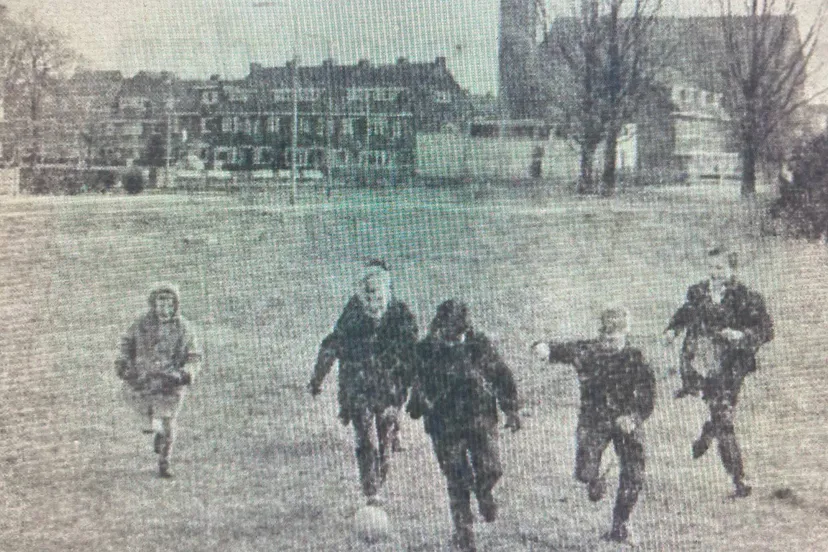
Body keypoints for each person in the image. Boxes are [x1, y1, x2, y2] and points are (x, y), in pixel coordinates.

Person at [531, 308, 655, 543]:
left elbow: (648, 397)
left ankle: (621, 524)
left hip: (625, 420)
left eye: (615, 337)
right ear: (600, 334)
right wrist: (542, 348)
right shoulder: (587, 350)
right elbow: (556, 350)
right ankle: (594, 476)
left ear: (626, 333)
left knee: (634, 472)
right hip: (594, 418)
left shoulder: (637, 357)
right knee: (585, 472)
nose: (609, 342)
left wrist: (633, 418)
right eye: (605, 337)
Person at [408, 300, 520, 552]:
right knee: (457, 478)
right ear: (438, 326)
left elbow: (501, 375)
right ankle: (463, 533)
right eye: (447, 330)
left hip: (479, 419)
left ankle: (484, 492)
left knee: (492, 468)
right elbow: (416, 381)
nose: (453, 336)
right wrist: (417, 404)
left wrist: (511, 409)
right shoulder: (425, 350)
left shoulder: (478, 346)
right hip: (443, 425)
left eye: (458, 332)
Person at [665, 246, 773, 498]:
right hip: (700, 362)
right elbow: (686, 312)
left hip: (730, 366)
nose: (715, 273)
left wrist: (741, 335)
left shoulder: (746, 297)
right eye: (711, 267)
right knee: (721, 413)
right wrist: (672, 330)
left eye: (721, 268)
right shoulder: (698, 292)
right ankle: (730, 465)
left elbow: (766, 329)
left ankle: (734, 471)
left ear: (733, 269)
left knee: (723, 416)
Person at [308, 260, 418, 505]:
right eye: (366, 291)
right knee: (366, 439)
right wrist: (317, 379)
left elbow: (413, 357)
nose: (371, 297)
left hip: (389, 390)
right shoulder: (353, 314)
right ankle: (371, 491)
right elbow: (332, 345)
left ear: (386, 291)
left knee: (384, 438)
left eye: (376, 291)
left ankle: (381, 472)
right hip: (358, 388)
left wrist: (410, 389)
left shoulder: (401, 315)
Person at [115, 284, 201, 478]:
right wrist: (123, 363)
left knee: (169, 424)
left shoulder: (184, 329)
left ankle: (164, 461)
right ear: (153, 304)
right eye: (160, 302)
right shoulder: (141, 324)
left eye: (168, 303)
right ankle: (156, 430)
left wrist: (185, 373)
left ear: (174, 305)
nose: (164, 307)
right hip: (143, 380)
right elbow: (126, 343)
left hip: (170, 383)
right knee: (146, 419)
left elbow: (194, 356)